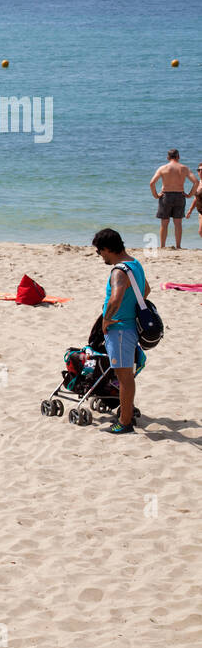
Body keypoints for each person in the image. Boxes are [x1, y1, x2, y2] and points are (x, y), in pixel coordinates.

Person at [93, 228, 148, 434]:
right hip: (130, 325)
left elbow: (115, 299)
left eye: (100, 252)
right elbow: (146, 290)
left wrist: (106, 320)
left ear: (107, 249)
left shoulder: (118, 271)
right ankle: (126, 415)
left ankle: (124, 423)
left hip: (121, 328)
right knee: (126, 375)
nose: (100, 257)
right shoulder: (135, 265)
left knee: (124, 376)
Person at [149, 149, 197, 249]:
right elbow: (196, 182)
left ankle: (162, 246)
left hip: (166, 196)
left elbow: (152, 183)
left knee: (164, 223)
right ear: (178, 157)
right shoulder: (184, 168)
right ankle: (178, 246)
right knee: (178, 223)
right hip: (180, 195)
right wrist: (189, 194)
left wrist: (156, 195)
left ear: (168, 157)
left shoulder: (163, 168)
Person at [188, 164, 202, 239]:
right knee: (200, 232)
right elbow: (196, 198)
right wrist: (190, 211)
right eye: (198, 170)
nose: (200, 172)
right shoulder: (198, 183)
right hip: (200, 211)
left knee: (200, 231)